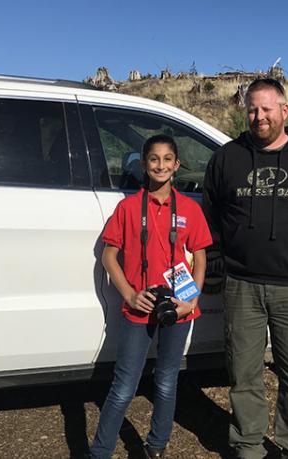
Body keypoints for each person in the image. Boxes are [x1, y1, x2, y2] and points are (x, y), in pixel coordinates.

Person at [202, 78, 288, 459]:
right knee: (243, 373)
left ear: (284, 110)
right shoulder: (228, 158)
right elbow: (210, 207)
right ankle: (248, 445)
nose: (258, 117)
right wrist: (230, 245)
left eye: (266, 109)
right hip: (242, 284)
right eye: (252, 109)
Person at [89, 134, 212, 459]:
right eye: (154, 159)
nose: (160, 165)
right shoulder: (128, 208)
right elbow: (108, 256)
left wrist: (193, 299)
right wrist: (129, 294)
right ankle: (99, 452)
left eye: (167, 159)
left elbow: (200, 257)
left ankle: (156, 445)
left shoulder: (190, 208)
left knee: (167, 379)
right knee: (124, 385)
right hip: (139, 308)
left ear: (177, 165)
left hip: (179, 306)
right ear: (144, 165)